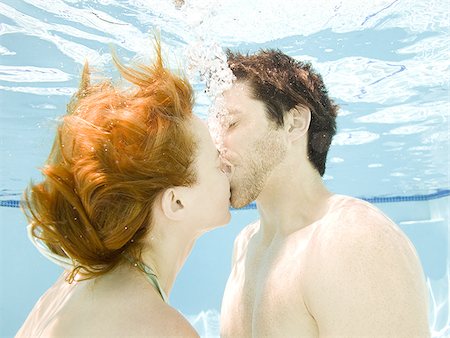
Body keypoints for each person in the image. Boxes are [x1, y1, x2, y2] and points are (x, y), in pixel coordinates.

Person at [16, 40, 231, 337]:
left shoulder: (67, 288)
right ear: (176, 203)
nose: (229, 167)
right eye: (218, 162)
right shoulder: (163, 330)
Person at [217, 50, 430, 337]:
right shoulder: (245, 246)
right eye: (215, 127)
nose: (217, 144)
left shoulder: (355, 240)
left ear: (293, 123)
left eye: (231, 123)